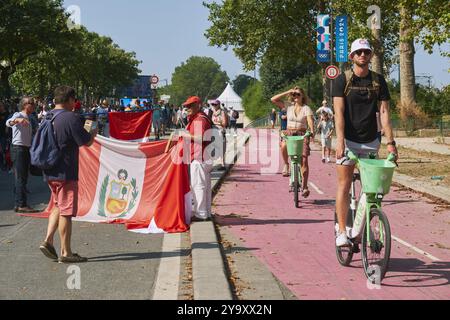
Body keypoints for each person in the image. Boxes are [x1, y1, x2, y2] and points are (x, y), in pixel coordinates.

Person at [332, 39, 398, 247]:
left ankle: (364, 227)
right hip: (349, 141)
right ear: (352, 56)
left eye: (366, 52)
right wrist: (340, 142)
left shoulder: (378, 81)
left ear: (370, 56)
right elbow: (339, 113)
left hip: (371, 141)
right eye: (358, 52)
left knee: (373, 190)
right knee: (344, 184)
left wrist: (391, 142)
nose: (362, 55)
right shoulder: (342, 80)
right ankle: (342, 231)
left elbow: (385, 112)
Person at [40, 86, 97, 263]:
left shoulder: (47, 116)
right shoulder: (71, 118)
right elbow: (86, 142)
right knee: (66, 211)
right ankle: (66, 252)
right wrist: (92, 132)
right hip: (66, 170)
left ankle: (48, 240)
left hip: (49, 169)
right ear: (70, 99)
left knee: (57, 205)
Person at [271, 87, 315, 198]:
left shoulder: (306, 108)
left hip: (302, 133)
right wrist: (287, 91)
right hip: (289, 132)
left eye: (298, 94)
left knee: (304, 160)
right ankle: (286, 164)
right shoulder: (288, 107)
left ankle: (304, 187)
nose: (295, 96)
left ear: (302, 96)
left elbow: (310, 121)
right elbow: (273, 99)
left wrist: (312, 131)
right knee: (283, 145)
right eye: (294, 94)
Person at [178, 96, 213, 222]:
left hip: (199, 157)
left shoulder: (199, 119)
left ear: (198, 105)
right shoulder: (200, 118)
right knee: (204, 186)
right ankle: (206, 212)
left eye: (190, 106)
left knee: (198, 185)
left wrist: (186, 135)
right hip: (203, 156)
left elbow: (201, 138)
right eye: (186, 106)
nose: (187, 108)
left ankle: (201, 214)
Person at [6, 97, 39, 213]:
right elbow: (8, 122)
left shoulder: (30, 117)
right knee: (21, 177)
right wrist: (16, 121)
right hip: (19, 149)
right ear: (25, 105)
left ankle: (18, 203)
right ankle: (21, 204)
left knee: (22, 177)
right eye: (31, 103)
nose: (34, 105)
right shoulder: (18, 114)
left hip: (24, 149)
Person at [211, 99, 228, 170]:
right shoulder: (213, 112)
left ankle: (223, 164)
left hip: (220, 131)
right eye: (213, 104)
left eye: (215, 104)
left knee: (222, 147)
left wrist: (217, 123)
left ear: (219, 105)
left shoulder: (222, 112)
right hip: (213, 131)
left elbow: (224, 123)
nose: (214, 106)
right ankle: (212, 164)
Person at [0, 102, 10, 171]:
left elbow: (8, 123)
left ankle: (6, 163)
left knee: (3, 150)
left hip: (4, 134)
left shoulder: (7, 114)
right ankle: (2, 164)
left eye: (0, 106)